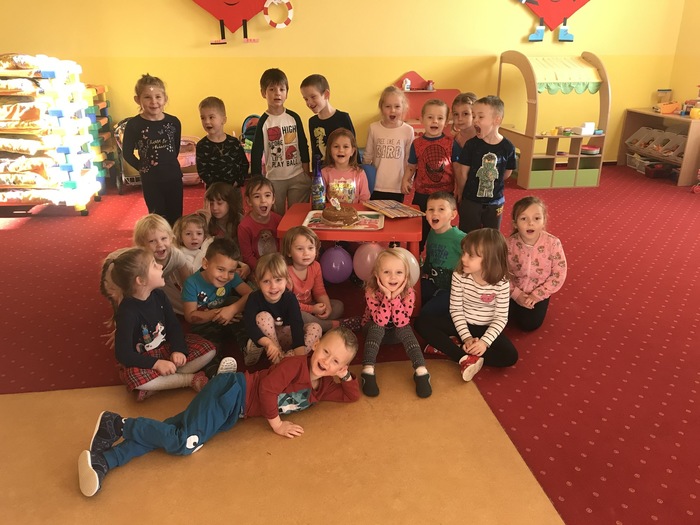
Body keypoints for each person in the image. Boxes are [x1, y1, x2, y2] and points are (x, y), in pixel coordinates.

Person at [77, 327, 361, 498]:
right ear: (315, 345)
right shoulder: (294, 366)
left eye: (336, 361)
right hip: (231, 392)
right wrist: (277, 425)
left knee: (171, 431)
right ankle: (118, 425)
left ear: (340, 367)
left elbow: (352, 396)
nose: (327, 361)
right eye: (325, 352)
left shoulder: (323, 387)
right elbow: (266, 390)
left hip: (233, 411)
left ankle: (106, 460)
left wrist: (345, 377)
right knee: (184, 443)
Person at [109, 248, 216, 402]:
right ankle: (188, 379)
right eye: (154, 265)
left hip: (167, 349)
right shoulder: (127, 312)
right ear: (141, 281)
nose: (160, 266)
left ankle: (163, 382)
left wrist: (178, 350)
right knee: (134, 379)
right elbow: (123, 354)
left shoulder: (159, 295)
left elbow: (173, 325)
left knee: (209, 350)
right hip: (144, 359)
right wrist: (156, 364)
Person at [415, 229, 518, 382]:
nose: (463, 258)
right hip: (461, 324)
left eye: (471, 256)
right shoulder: (459, 275)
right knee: (421, 322)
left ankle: (452, 349)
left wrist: (484, 343)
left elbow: (501, 318)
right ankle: (463, 357)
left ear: (489, 259)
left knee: (510, 356)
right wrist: (467, 337)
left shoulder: (502, 283)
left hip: (485, 328)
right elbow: (456, 309)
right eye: (464, 252)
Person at [360, 248, 431, 399]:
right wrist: (387, 296)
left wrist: (396, 297)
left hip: (395, 334)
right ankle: (367, 370)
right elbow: (380, 320)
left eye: (399, 272)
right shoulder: (371, 291)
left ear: (406, 276)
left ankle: (421, 371)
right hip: (373, 331)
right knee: (377, 327)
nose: (393, 277)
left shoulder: (409, 292)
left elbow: (401, 322)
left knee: (404, 328)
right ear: (377, 274)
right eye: (386, 272)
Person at [122, 74, 183, 226]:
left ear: (165, 98)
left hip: (173, 177)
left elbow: (175, 149)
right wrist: (143, 168)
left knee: (176, 216)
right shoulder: (134, 125)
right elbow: (127, 153)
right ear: (138, 100)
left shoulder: (173, 122)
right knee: (158, 218)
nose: (154, 102)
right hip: (151, 181)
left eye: (158, 97)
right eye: (147, 97)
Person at [243, 253, 322, 368]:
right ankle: (276, 359)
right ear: (258, 281)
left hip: (287, 336)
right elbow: (249, 326)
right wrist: (268, 343)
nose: (273, 286)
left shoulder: (290, 298)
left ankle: (287, 360)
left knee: (316, 328)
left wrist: (299, 357)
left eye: (278, 280)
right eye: (266, 281)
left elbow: (297, 326)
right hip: (269, 341)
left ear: (286, 280)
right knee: (263, 317)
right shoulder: (254, 298)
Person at [250, 68, 310, 215]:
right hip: (274, 179)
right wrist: (257, 181)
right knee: (277, 216)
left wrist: (306, 171)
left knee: (297, 213)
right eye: (272, 89)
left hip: (297, 175)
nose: (277, 93)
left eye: (282, 89)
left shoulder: (294, 117)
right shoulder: (263, 122)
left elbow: (303, 144)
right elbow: (256, 152)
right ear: (263, 93)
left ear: (286, 93)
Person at [402, 99, 457, 253]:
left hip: (445, 195)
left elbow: (457, 168)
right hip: (422, 194)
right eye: (430, 117)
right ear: (422, 119)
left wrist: (459, 187)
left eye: (440, 118)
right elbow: (412, 166)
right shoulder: (417, 144)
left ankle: (442, 257)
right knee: (419, 227)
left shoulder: (451, 143)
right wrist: (406, 179)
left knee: (443, 229)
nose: (435, 121)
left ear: (446, 122)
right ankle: (415, 255)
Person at [182, 238, 253, 360]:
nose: (225, 276)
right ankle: (215, 365)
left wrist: (232, 309)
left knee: (234, 301)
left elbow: (251, 294)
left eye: (231, 271)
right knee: (206, 348)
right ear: (205, 264)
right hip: (205, 324)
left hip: (229, 320)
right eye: (220, 269)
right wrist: (218, 313)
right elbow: (190, 316)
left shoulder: (232, 277)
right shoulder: (191, 283)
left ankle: (247, 347)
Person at [455, 95, 516, 234]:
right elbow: (463, 173)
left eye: (480, 117)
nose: (475, 120)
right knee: (468, 234)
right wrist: (461, 192)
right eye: (474, 116)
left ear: (497, 120)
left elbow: (507, 173)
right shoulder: (471, 145)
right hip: (471, 200)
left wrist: (492, 179)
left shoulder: (508, 147)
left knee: (491, 235)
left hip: (495, 202)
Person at [506, 196, 567, 331]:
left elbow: (559, 274)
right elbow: (501, 271)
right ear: (515, 223)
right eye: (523, 219)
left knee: (528, 324)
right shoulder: (509, 244)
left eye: (537, 218)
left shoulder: (553, 243)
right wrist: (515, 293)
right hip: (512, 290)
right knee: (501, 319)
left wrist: (537, 295)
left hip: (539, 293)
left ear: (544, 221)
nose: (530, 223)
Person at [282, 226, 345, 332]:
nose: (306, 253)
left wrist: (327, 307)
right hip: (293, 309)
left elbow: (319, 291)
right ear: (289, 252)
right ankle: (335, 325)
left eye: (310, 248)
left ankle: (318, 323)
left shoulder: (315, 266)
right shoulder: (285, 272)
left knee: (338, 306)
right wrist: (312, 309)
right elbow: (288, 303)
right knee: (301, 316)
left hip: (311, 305)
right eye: (300, 249)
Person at [419, 191, 466, 317]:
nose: (435, 213)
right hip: (433, 282)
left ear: (453, 214)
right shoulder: (432, 233)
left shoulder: (460, 238)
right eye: (431, 209)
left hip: (452, 290)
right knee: (410, 295)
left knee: (426, 314)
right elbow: (429, 256)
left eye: (441, 209)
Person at [363, 86, 414, 202]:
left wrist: (408, 180)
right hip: (376, 185)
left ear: (403, 108)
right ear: (381, 107)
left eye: (397, 106)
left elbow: (409, 160)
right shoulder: (374, 128)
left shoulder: (408, 130)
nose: (393, 110)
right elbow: (367, 156)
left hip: (398, 186)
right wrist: (365, 181)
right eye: (388, 106)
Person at [133, 213, 190, 315]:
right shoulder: (140, 262)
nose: (160, 244)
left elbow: (187, 280)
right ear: (142, 245)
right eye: (152, 241)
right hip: (143, 286)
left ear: (171, 238)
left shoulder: (176, 255)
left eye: (164, 238)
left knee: (184, 307)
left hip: (163, 281)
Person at [299, 74, 357, 164]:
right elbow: (315, 151)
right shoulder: (312, 122)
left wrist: (357, 168)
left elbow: (353, 146)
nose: (309, 102)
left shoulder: (343, 117)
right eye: (306, 99)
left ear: (326, 94)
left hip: (343, 169)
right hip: (322, 170)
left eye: (313, 97)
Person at [195, 96, 249, 189]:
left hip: (233, 189)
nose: (207, 122)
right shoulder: (202, 145)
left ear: (223, 120)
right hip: (214, 191)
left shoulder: (234, 142)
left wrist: (237, 181)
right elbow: (202, 170)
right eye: (203, 118)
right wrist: (216, 186)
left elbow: (243, 164)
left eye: (211, 117)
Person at [237, 176, 282, 271]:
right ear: (249, 201)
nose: (263, 200)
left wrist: (279, 267)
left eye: (267, 195)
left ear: (273, 199)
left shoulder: (279, 220)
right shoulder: (244, 227)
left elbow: (283, 249)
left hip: (278, 267)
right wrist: (264, 270)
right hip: (258, 270)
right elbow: (248, 257)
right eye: (257, 196)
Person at [321, 128, 370, 203]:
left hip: (354, 210)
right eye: (336, 146)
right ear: (330, 150)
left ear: (352, 151)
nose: (341, 150)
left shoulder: (359, 173)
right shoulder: (324, 173)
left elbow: (365, 199)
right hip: (331, 210)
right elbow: (318, 198)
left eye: (345, 147)